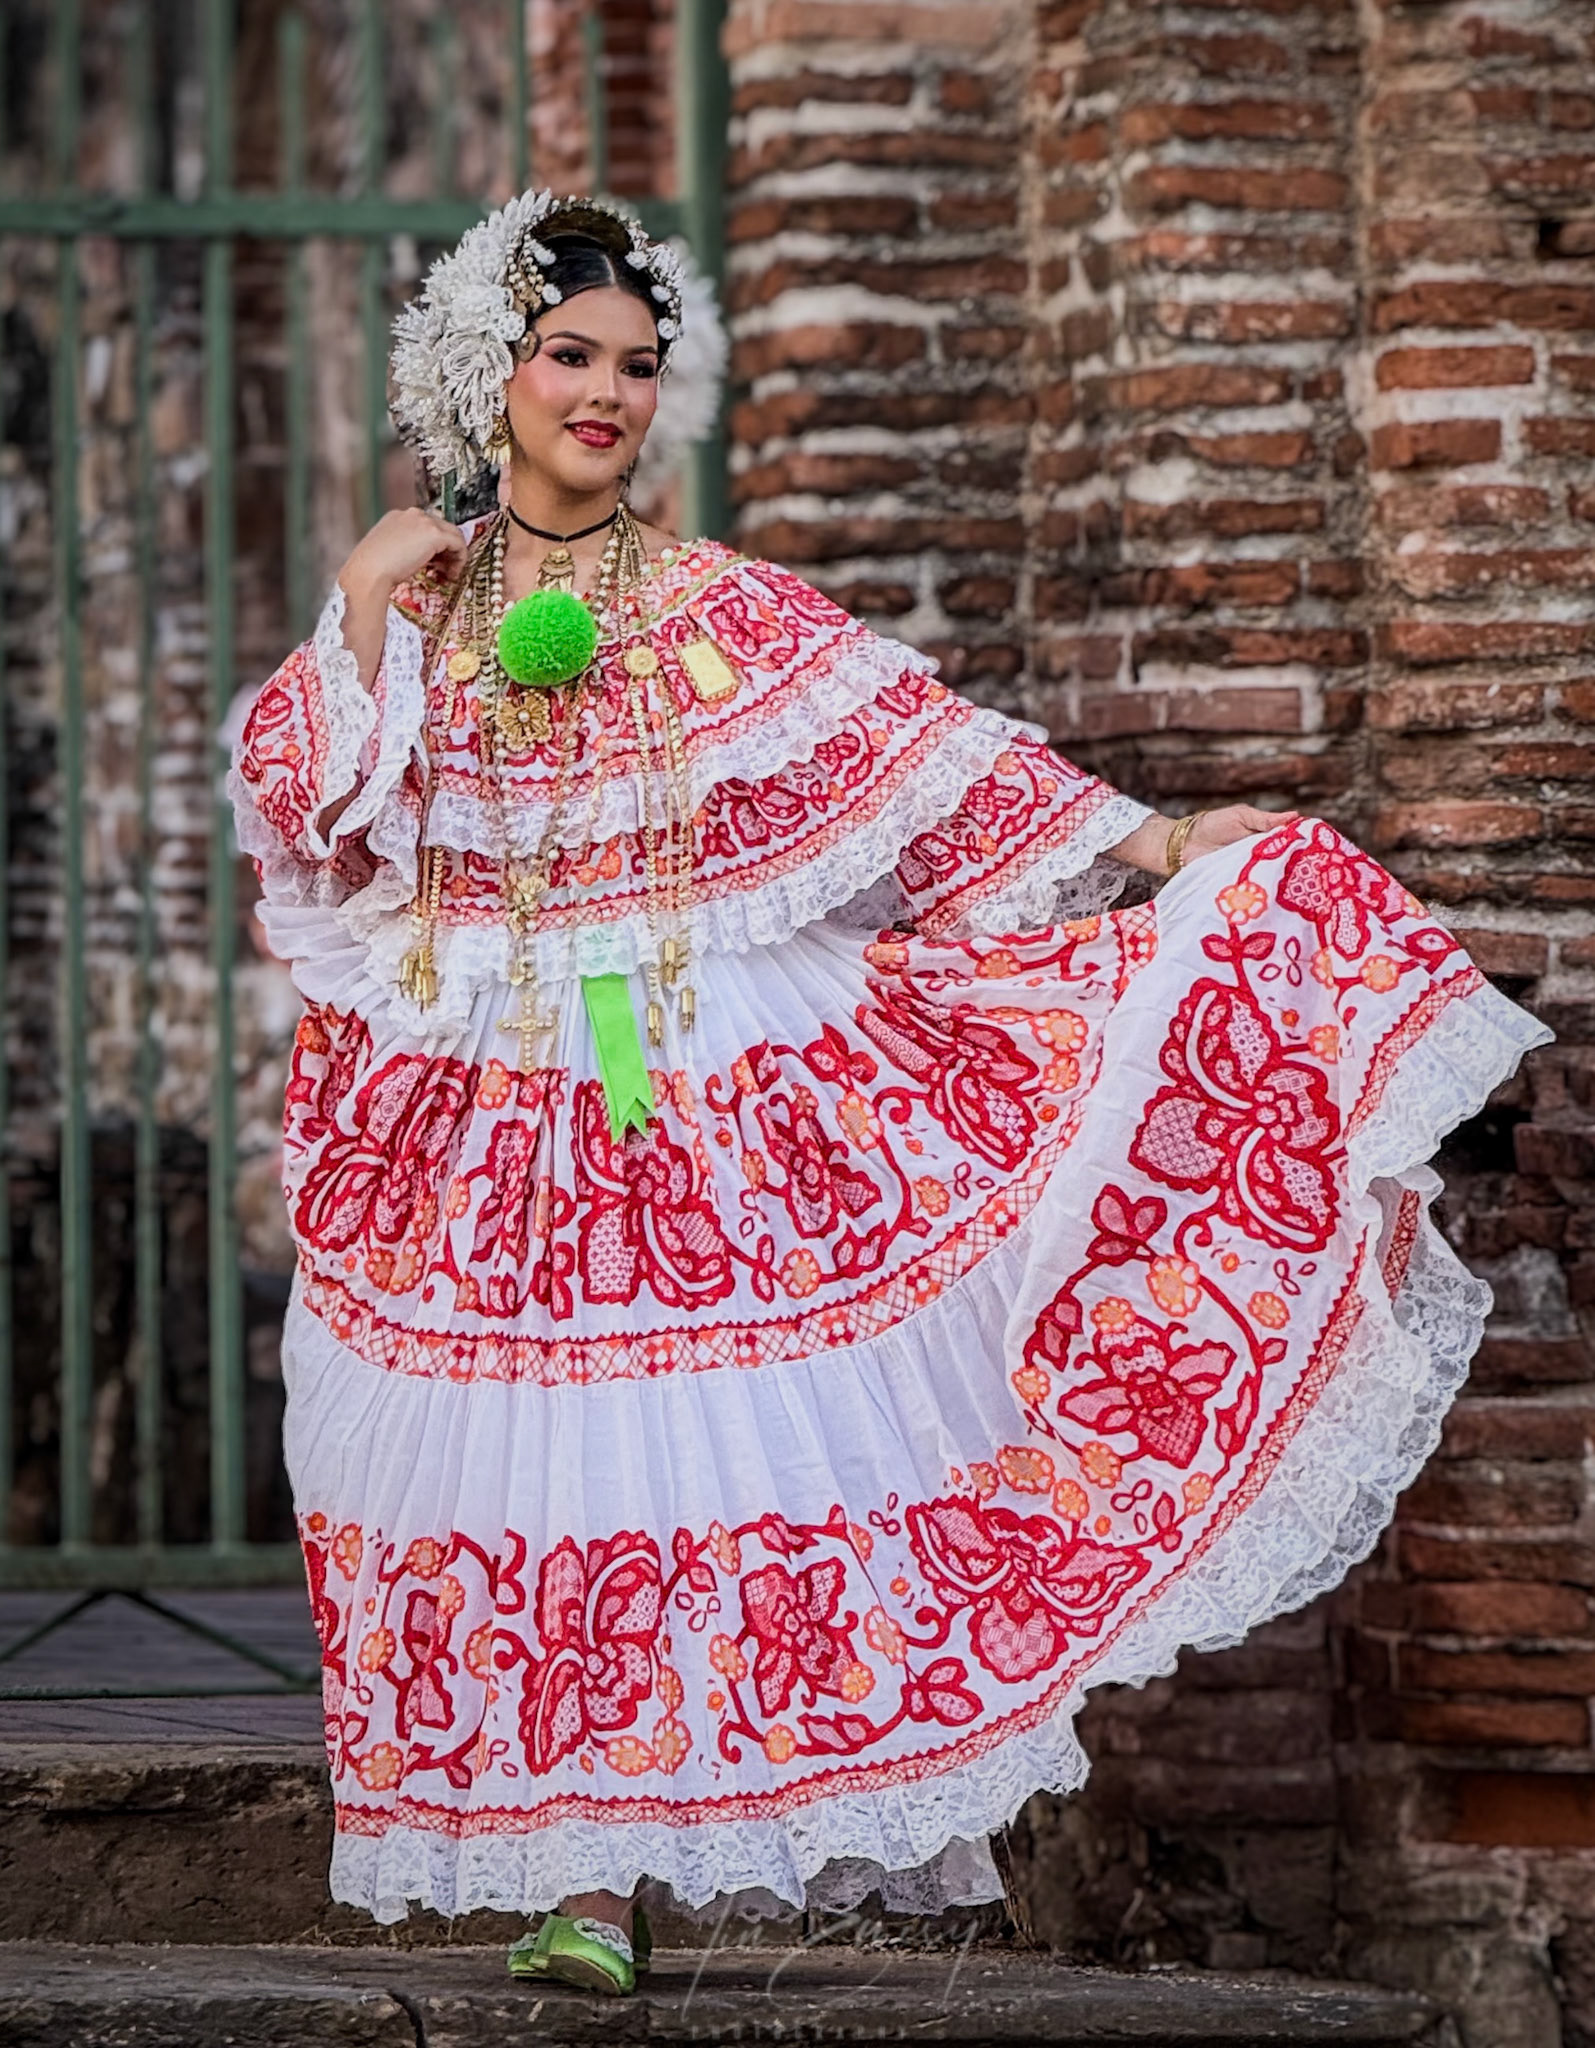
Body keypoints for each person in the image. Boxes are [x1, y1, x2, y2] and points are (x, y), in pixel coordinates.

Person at [230, 191, 1551, 1997]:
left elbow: (931, 768)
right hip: (482, 1112)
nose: (606, 394)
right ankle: (579, 1858)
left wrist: (1161, 841)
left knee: (679, 1469)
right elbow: (320, 833)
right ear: (491, 372)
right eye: (569, 357)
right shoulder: (413, 611)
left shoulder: (718, 609)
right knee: (516, 1478)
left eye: (636, 364)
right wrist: (373, 600)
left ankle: (614, 1881)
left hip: (708, 1080)